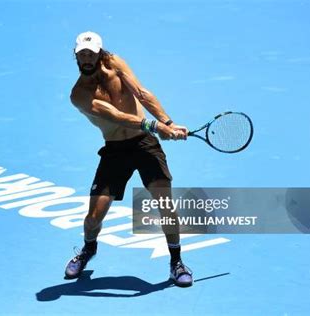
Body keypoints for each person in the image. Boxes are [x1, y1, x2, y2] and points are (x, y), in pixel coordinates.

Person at [65, 31, 193, 287]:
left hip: (144, 144)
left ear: (100, 53)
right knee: (93, 219)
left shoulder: (115, 62)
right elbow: (114, 115)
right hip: (115, 150)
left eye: (91, 54)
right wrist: (156, 126)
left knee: (164, 202)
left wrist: (168, 122)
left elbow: (141, 93)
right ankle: (89, 249)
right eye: (82, 55)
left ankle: (176, 262)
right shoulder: (79, 94)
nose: (87, 59)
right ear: (76, 57)